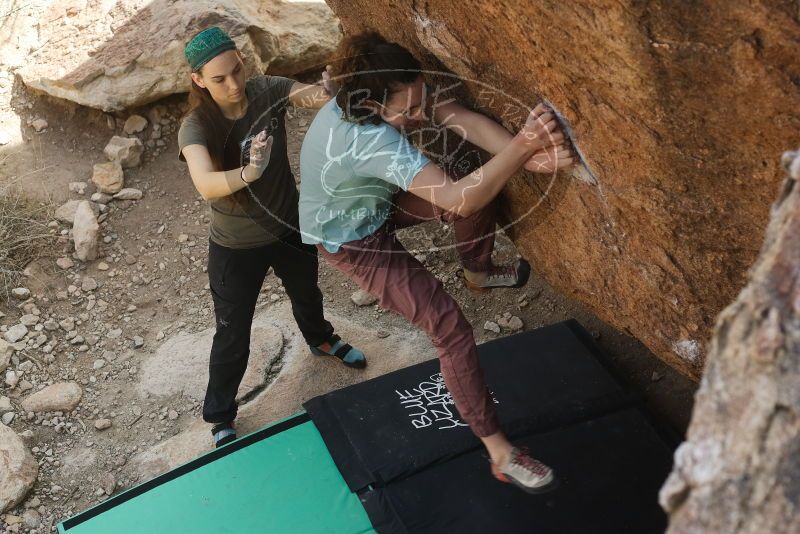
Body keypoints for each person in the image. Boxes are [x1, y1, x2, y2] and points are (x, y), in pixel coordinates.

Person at [298, 32, 575, 492]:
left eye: (418, 99)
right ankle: (500, 453)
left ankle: (477, 270)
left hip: (377, 203)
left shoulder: (366, 96)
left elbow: (455, 116)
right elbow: (457, 201)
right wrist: (525, 145)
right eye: (406, 110)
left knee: (477, 179)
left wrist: (525, 158)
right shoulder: (371, 144)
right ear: (372, 106)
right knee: (450, 329)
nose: (419, 114)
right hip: (351, 241)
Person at [177, 27, 367, 448]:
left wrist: (333, 91)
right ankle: (221, 415)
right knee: (232, 331)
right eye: (219, 79)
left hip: (287, 227)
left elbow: (312, 98)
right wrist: (249, 172)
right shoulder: (196, 125)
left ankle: (322, 340)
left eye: (237, 71)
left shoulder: (267, 90)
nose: (233, 84)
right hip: (234, 248)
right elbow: (205, 184)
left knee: (306, 291)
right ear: (198, 80)